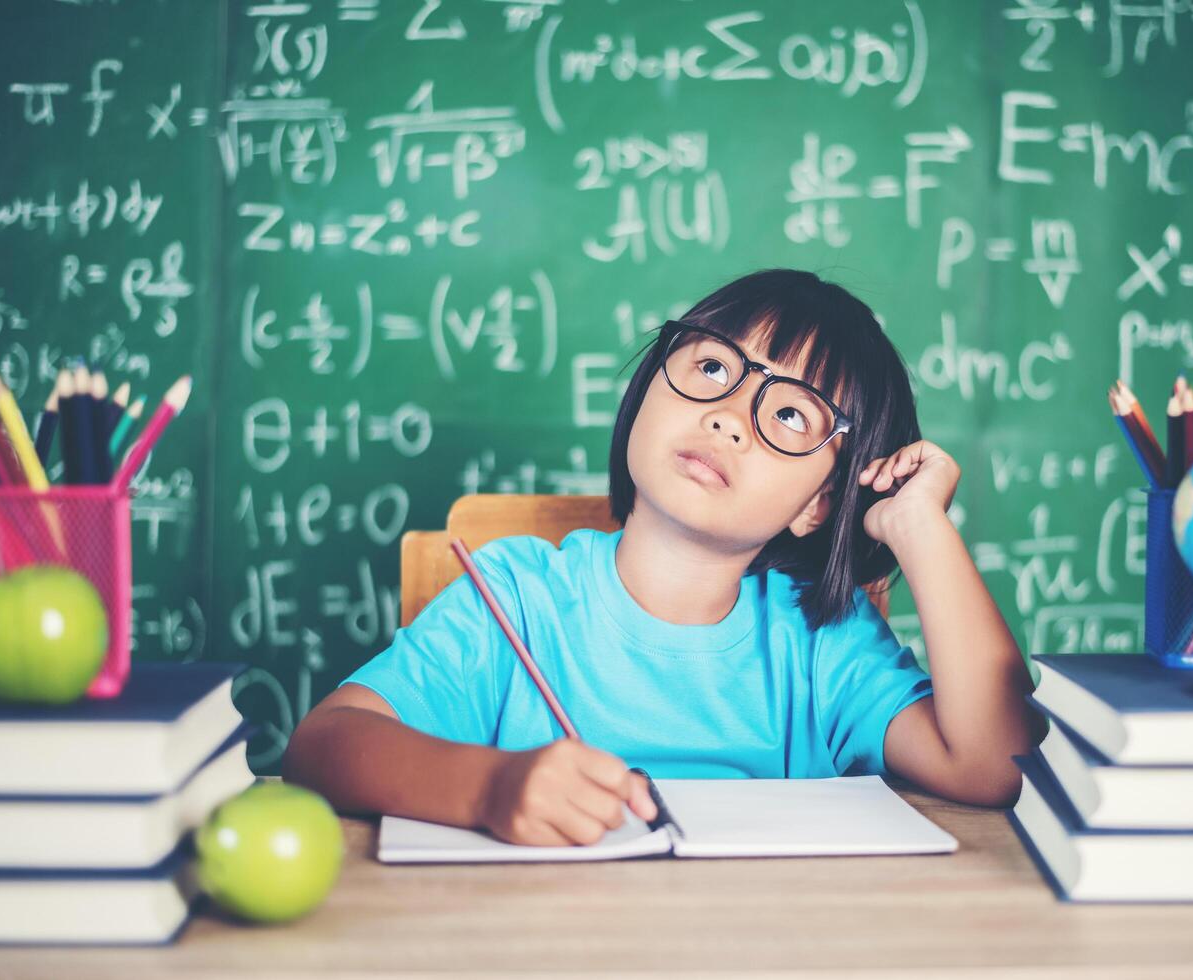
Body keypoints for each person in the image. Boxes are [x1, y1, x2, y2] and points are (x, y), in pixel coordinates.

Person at [284, 269, 1040, 847]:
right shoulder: (516, 596)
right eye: (713, 369)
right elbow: (321, 745)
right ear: (649, 388)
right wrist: (487, 790)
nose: (730, 416)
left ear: (818, 504)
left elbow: (991, 765)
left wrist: (918, 526)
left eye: (786, 415)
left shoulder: (821, 642)